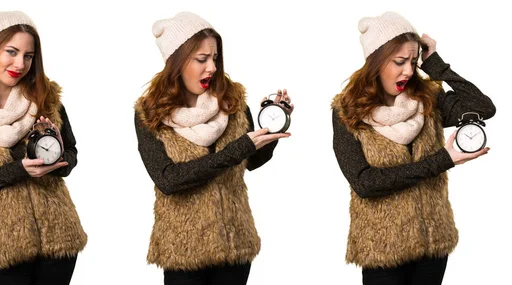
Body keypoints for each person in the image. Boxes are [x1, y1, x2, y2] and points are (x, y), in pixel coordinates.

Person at [331, 11, 496, 285]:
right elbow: (365, 183)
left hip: (433, 242)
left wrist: (436, 65)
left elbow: (483, 108)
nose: (408, 70)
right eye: (399, 61)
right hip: (381, 249)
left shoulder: (429, 98)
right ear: (375, 61)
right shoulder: (346, 111)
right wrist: (443, 160)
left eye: (413, 60)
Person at [134, 11, 293, 285]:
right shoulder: (149, 113)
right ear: (176, 62)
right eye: (201, 59)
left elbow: (249, 161)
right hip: (182, 249)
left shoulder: (232, 101)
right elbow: (168, 179)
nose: (212, 68)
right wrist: (239, 148)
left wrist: (271, 133)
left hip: (234, 243)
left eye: (215, 58)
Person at [0, 11, 87, 285]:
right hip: (5, 245)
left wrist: (56, 157)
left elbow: (71, 155)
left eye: (28, 55)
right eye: (11, 51)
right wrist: (19, 170)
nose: (20, 63)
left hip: (59, 237)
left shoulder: (47, 100)